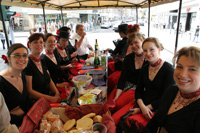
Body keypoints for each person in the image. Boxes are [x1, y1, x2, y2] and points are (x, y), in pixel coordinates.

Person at [113, 37, 175, 132]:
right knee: (114, 120)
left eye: (152, 49)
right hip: (141, 105)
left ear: (159, 49)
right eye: (145, 50)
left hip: (155, 109)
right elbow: (139, 90)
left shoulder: (168, 70)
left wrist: (145, 108)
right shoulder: (145, 67)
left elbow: (166, 98)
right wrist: (142, 107)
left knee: (129, 127)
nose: (148, 53)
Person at [144, 46, 200, 133]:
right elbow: (154, 122)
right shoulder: (172, 91)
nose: (182, 74)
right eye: (180, 67)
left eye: (192, 69)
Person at [107, 33, 147, 113]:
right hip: (126, 86)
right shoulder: (129, 58)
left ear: (143, 41)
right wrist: (116, 96)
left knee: (117, 105)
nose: (134, 45)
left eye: (136, 42)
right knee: (109, 103)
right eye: (131, 44)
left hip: (138, 90)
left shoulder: (149, 59)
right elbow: (122, 79)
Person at [0, 44, 33, 126]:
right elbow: (3, 117)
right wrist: (26, 119)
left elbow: (26, 101)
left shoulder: (22, 75)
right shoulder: (1, 82)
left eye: (25, 55)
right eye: (16, 55)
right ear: (8, 58)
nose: (22, 59)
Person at [23, 33, 61, 103]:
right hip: (37, 102)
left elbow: (49, 79)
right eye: (35, 42)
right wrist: (50, 98)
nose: (39, 44)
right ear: (29, 45)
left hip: (48, 97)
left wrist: (57, 93)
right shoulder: (28, 64)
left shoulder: (42, 61)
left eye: (41, 42)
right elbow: (30, 91)